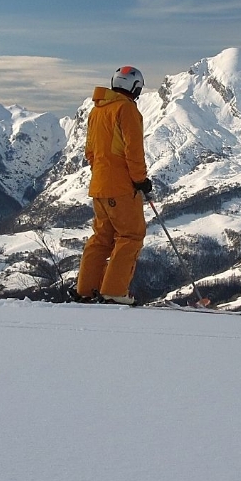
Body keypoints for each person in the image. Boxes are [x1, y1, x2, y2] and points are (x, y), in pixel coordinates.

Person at [74, 66, 153, 305]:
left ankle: (86, 290)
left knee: (101, 238)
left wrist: (102, 173)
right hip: (121, 187)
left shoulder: (96, 111)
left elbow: (90, 151)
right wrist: (140, 180)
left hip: (99, 185)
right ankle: (114, 292)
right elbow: (133, 150)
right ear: (135, 88)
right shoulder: (126, 109)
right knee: (130, 236)